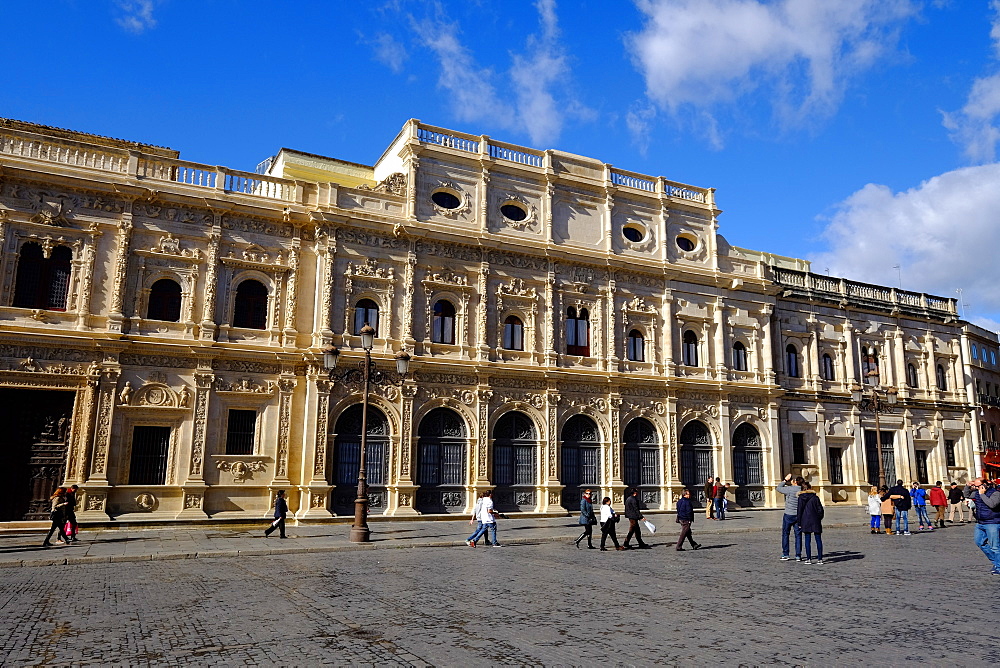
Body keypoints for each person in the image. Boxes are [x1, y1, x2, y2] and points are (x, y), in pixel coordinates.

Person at [968, 478, 1000, 574]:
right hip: (980, 522)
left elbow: (992, 504)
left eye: (978, 486)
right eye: (975, 486)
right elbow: (967, 495)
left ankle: (999, 566)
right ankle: (997, 562)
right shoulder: (977, 493)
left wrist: (982, 494)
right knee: (979, 542)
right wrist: (967, 486)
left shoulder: (995, 493)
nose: (976, 488)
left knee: (995, 547)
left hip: (992, 522)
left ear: (985, 485)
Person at [776, 474, 804, 560]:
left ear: (795, 482)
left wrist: (785, 480)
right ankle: (798, 555)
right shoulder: (802, 490)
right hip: (798, 516)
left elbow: (778, 488)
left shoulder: (790, 489)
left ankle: (786, 554)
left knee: (785, 534)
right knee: (798, 535)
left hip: (788, 514)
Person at [797, 482, 824, 564]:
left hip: (805, 520)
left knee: (807, 540)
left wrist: (799, 522)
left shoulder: (801, 498)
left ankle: (808, 558)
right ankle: (820, 559)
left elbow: (799, 511)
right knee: (818, 540)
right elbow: (820, 510)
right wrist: (819, 518)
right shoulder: (815, 497)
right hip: (815, 520)